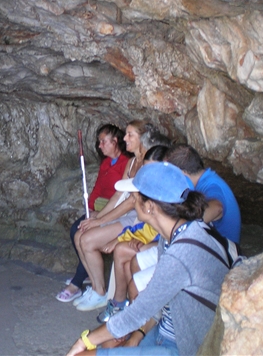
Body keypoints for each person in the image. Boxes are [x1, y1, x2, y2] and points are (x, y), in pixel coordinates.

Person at [65, 162, 231, 356]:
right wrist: (138, 335)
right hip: (164, 330)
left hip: (184, 347)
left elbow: (138, 312)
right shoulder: (175, 236)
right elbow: (156, 303)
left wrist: (84, 340)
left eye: (135, 199)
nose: (133, 204)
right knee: (110, 343)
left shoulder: (182, 253)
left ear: (150, 207)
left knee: (82, 353)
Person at [71, 120, 149, 311]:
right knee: (80, 234)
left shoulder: (147, 164)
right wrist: (95, 219)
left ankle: (100, 292)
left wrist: (101, 220)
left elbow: (132, 201)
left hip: (136, 217)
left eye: (130, 135)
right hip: (125, 212)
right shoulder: (131, 163)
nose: (125, 138)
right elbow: (118, 196)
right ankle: (97, 289)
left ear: (142, 139)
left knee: (88, 240)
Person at [56, 124, 130, 302]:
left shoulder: (126, 163)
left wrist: (99, 217)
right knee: (76, 229)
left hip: (113, 211)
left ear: (115, 141)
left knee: (84, 236)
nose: (100, 146)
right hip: (99, 208)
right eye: (99, 142)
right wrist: (89, 209)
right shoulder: (106, 163)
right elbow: (97, 189)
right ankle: (90, 274)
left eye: (103, 142)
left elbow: (120, 197)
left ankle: (78, 281)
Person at [97, 145, 169, 323]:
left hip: (168, 251)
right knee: (122, 249)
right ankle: (121, 304)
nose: (133, 203)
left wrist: (151, 244)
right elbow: (146, 229)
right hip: (162, 245)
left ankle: (136, 315)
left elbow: (169, 233)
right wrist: (121, 238)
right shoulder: (155, 200)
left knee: (129, 257)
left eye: (134, 200)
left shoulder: (164, 200)